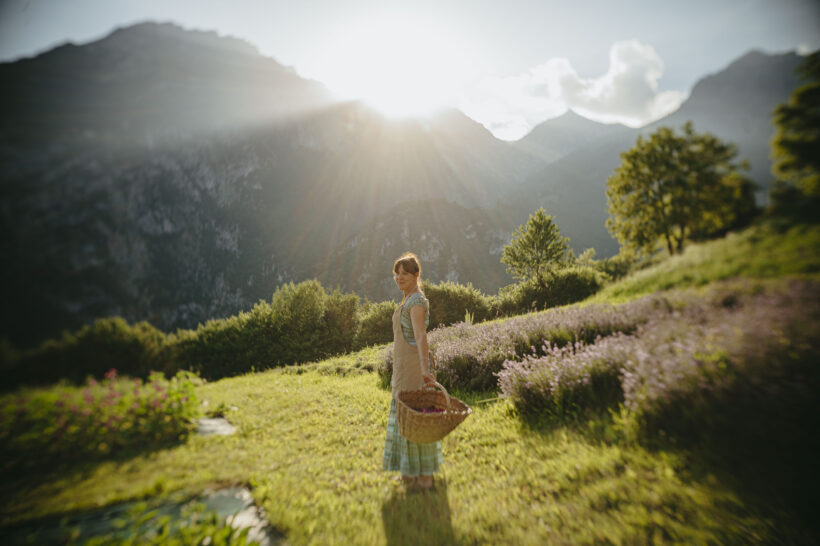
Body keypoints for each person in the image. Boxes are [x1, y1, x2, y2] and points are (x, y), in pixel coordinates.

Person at [382, 252, 442, 491]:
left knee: (418, 420)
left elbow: (420, 336)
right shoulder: (406, 299)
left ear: (416, 275)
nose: (399, 278)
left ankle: (425, 478)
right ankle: (410, 473)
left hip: (416, 369)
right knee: (406, 420)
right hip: (404, 368)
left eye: (405, 274)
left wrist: (426, 370)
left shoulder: (416, 301)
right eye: (397, 274)